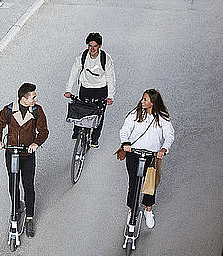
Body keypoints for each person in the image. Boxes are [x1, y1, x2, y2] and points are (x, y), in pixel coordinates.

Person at [0, 83, 49, 237]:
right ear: (24, 99)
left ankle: (30, 217)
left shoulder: (37, 111)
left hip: (27, 154)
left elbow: (43, 131)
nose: (35, 99)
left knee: (28, 185)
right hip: (12, 153)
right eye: (33, 97)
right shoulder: (9, 110)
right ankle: (16, 208)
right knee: (13, 184)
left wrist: (35, 143)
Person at [119, 89, 175, 229]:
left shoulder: (162, 117)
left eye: (145, 99)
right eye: (142, 99)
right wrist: (125, 143)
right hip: (134, 153)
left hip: (152, 156)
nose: (142, 101)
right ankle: (132, 209)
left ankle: (148, 211)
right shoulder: (136, 114)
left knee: (150, 184)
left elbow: (169, 135)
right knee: (133, 182)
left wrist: (163, 149)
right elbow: (124, 130)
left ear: (153, 102)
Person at [64, 32, 116, 148]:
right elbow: (74, 73)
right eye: (90, 45)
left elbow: (110, 78)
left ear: (100, 46)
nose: (92, 49)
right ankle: (77, 131)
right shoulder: (82, 57)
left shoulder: (105, 59)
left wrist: (110, 96)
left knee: (99, 114)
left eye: (95, 46)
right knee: (80, 110)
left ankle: (94, 139)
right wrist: (68, 90)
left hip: (101, 90)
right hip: (85, 88)